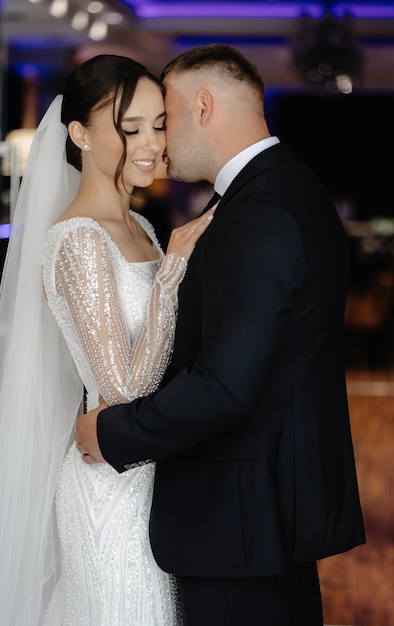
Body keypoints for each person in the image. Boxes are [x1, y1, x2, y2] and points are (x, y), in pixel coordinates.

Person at [75, 43, 366, 626]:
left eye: (166, 118)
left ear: (202, 107)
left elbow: (225, 384)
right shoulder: (286, 189)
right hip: (267, 508)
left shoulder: (258, 211)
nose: (158, 141)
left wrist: (111, 434)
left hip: (239, 519)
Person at [0, 54, 214, 625]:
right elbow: (123, 384)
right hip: (110, 489)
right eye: (130, 128)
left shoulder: (144, 228)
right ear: (79, 134)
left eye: (159, 125)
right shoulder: (79, 239)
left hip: (155, 476)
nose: (152, 143)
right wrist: (174, 272)